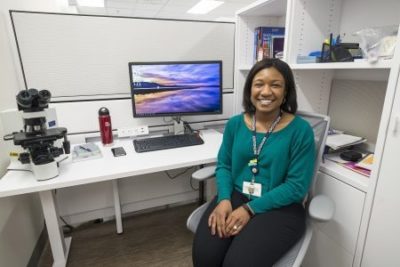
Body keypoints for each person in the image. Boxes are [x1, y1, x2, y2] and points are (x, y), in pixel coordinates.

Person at [192, 58, 316, 267]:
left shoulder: (301, 131)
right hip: (235, 196)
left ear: (286, 92)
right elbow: (224, 166)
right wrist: (224, 199)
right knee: (205, 259)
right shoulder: (235, 124)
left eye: (275, 85)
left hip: (280, 206)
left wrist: (250, 209)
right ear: (250, 89)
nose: (266, 92)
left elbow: (296, 187)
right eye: (259, 84)